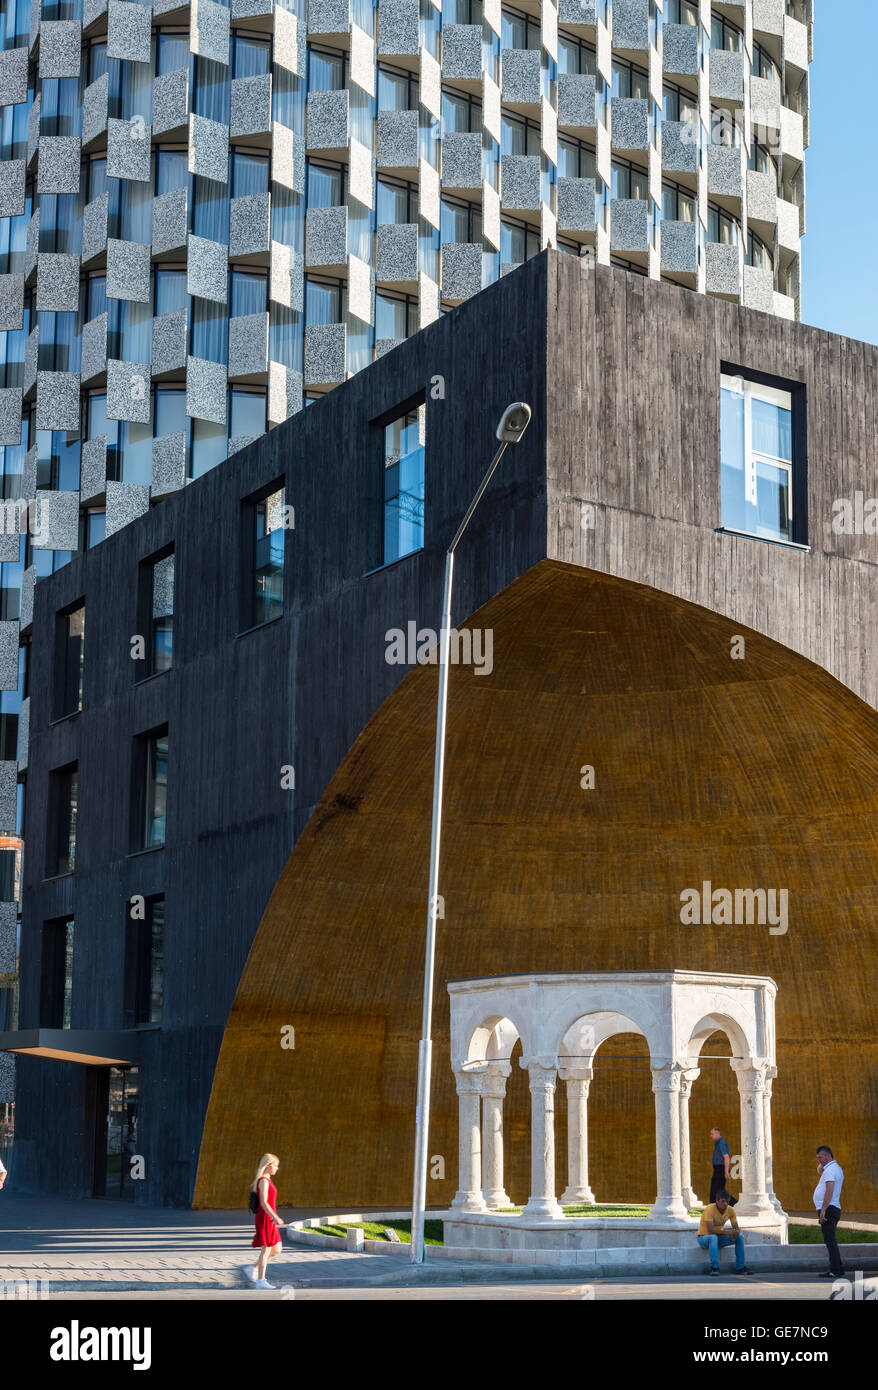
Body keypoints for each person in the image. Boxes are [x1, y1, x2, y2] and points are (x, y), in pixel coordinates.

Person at [245, 1153, 286, 1289]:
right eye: (275, 1165)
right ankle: (261, 1281)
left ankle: (252, 1268)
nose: (277, 1168)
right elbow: (263, 1202)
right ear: (268, 1166)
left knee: (277, 1249)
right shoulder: (263, 1181)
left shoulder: (267, 1179)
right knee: (266, 1250)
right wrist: (275, 1216)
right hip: (265, 1219)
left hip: (269, 1219)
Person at [697, 1191, 750, 1276]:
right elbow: (710, 1230)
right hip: (704, 1238)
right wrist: (728, 1232)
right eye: (722, 1201)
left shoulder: (731, 1210)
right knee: (713, 1237)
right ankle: (714, 1267)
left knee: (740, 1237)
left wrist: (735, 1233)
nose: (725, 1204)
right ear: (717, 1201)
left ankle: (740, 1267)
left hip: (718, 1239)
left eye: (727, 1201)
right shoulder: (710, 1209)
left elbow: (736, 1228)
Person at [813, 1145, 846, 1280]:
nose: (819, 1160)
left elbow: (829, 1191)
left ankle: (836, 1270)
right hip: (832, 1208)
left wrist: (823, 1211)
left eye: (820, 1157)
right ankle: (837, 1268)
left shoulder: (831, 1170)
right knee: (830, 1240)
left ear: (828, 1156)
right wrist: (822, 1164)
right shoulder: (833, 1168)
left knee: (830, 1241)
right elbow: (819, 1170)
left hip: (829, 1208)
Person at [708, 1127, 736, 1204]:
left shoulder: (721, 1143)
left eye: (712, 1134)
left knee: (717, 1191)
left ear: (717, 1134)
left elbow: (726, 1157)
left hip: (720, 1169)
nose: (711, 1135)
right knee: (718, 1190)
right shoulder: (718, 1143)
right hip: (717, 1169)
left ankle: (735, 1203)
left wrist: (726, 1172)